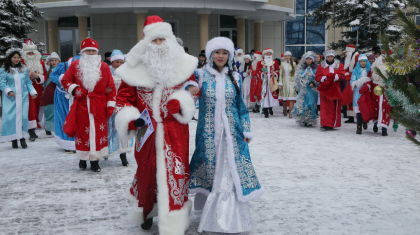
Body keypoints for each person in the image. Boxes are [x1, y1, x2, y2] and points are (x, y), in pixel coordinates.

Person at [114, 16, 198, 233]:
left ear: (169, 40)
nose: (158, 45)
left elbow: (192, 87)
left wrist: (180, 102)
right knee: (146, 170)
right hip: (145, 129)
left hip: (175, 129)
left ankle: (175, 218)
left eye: (162, 39)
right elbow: (123, 98)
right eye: (154, 40)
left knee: (175, 170)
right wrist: (131, 119)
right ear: (146, 42)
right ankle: (147, 210)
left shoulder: (183, 63)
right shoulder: (132, 68)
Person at [189, 36, 264, 234]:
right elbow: (185, 92)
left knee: (229, 176)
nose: (220, 56)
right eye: (217, 52)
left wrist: (246, 130)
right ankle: (210, 211)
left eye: (224, 53)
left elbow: (241, 108)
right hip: (208, 136)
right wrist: (189, 90)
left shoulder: (236, 77)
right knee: (211, 172)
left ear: (229, 55)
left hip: (233, 136)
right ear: (210, 54)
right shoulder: (200, 75)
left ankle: (227, 219)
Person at [61, 37, 117, 172]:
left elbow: (111, 86)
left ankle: (95, 161)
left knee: (98, 131)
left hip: (99, 104)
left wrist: (110, 104)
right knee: (83, 132)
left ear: (97, 52)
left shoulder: (104, 66)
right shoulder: (75, 65)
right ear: (83, 52)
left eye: (93, 51)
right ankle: (82, 157)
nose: (91, 53)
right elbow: (65, 80)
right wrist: (75, 89)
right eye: (88, 51)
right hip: (82, 104)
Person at [0, 49, 37, 148]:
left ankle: (22, 138)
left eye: (18, 57)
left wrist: (33, 92)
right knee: (12, 118)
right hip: (11, 98)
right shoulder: (4, 69)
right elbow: (2, 83)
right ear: (10, 58)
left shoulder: (23, 69)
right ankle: (13, 139)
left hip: (23, 97)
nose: (16, 59)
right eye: (14, 57)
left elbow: (28, 82)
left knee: (24, 117)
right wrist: (8, 91)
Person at [106, 49, 132, 166]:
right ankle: (105, 151)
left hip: (123, 105)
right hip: (109, 104)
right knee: (108, 129)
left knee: (123, 130)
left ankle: (123, 155)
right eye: (117, 62)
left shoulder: (127, 73)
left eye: (121, 62)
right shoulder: (107, 72)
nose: (119, 64)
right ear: (112, 62)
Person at [49, 56, 79, 153]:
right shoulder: (63, 65)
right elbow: (52, 75)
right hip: (62, 96)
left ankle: (78, 142)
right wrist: (62, 79)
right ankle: (68, 144)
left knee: (78, 119)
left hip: (77, 95)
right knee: (64, 119)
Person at [20, 38, 47, 141]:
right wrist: (28, 75)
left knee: (35, 108)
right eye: (28, 52)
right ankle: (31, 131)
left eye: (32, 52)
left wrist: (38, 76)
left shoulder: (41, 62)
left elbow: (45, 75)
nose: (31, 54)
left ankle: (32, 128)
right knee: (30, 108)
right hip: (25, 88)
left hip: (37, 88)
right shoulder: (21, 62)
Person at [315, 49, 345, 131]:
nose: (330, 58)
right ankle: (325, 124)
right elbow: (317, 77)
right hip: (325, 89)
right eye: (328, 57)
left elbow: (342, 75)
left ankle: (332, 124)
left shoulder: (339, 65)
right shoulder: (320, 66)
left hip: (335, 89)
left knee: (334, 107)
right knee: (325, 107)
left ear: (334, 56)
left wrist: (334, 77)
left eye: (331, 56)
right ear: (326, 57)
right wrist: (325, 79)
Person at [294, 51, 319, 126]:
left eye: (310, 59)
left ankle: (311, 119)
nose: (308, 60)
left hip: (312, 90)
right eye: (307, 59)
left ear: (313, 60)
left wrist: (314, 83)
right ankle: (303, 119)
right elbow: (297, 78)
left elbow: (318, 78)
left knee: (311, 103)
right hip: (303, 89)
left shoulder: (316, 68)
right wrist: (298, 85)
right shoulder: (301, 68)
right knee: (303, 103)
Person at [255, 48, 280, 118]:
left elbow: (278, 70)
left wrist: (275, 73)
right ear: (265, 54)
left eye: (270, 54)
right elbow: (257, 72)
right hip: (264, 81)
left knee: (271, 95)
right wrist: (263, 73)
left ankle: (270, 108)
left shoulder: (275, 62)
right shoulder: (260, 63)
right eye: (267, 53)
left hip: (272, 80)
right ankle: (266, 112)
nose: (269, 55)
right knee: (265, 96)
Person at [350, 54, 371, 134]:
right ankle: (359, 127)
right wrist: (358, 82)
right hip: (358, 92)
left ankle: (365, 121)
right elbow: (352, 82)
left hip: (367, 92)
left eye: (364, 61)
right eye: (361, 61)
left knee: (366, 108)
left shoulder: (369, 70)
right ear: (359, 62)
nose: (363, 63)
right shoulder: (355, 70)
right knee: (358, 109)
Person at [43, 52, 60, 135]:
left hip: (59, 92)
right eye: (52, 60)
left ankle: (57, 127)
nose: (54, 62)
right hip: (49, 92)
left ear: (58, 61)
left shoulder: (61, 69)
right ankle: (48, 127)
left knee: (57, 110)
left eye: (55, 60)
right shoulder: (47, 70)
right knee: (49, 110)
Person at [342, 44, 359, 123]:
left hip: (355, 80)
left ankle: (358, 117)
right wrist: (347, 74)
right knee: (349, 98)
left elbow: (358, 69)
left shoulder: (357, 56)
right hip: (348, 80)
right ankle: (351, 117)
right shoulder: (349, 57)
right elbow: (345, 69)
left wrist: (351, 75)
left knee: (355, 98)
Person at [279, 51, 297, 118]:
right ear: (284, 57)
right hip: (284, 82)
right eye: (286, 56)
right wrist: (280, 83)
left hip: (291, 82)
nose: (287, 57)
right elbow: (280, 74)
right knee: (285, 97)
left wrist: (296, 83)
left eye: (288, 56)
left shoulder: (294, 63)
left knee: (291, 96)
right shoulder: (282, 64)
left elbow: (295, 74)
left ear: (290, 57)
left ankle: (291, 112)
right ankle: (285, 110)